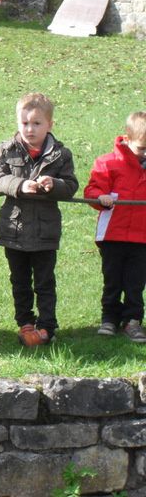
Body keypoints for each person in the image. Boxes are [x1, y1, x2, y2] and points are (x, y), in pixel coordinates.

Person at [0, 92, 78, 347]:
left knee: (45, 281)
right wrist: (18, 185)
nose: (30, 129)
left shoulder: (60, 154)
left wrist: (54, 183)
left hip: (45, 231)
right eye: (25, 123)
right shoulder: (6, 150)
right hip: (13, 229)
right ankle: (25, 322)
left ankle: (47, 326)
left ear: (49, 125)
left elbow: (71, 186)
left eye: (36, 123)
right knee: (19, 281)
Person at [84, 111, 146, 342]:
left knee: (136, 282)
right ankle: (109, 318)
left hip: (142, 238)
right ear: (127, 139)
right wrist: (101, 197)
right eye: (141, 148)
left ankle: (132, 320)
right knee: (112, 279)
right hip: (113, 235)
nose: (145, 154)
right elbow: (91, 191)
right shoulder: (107, 163)